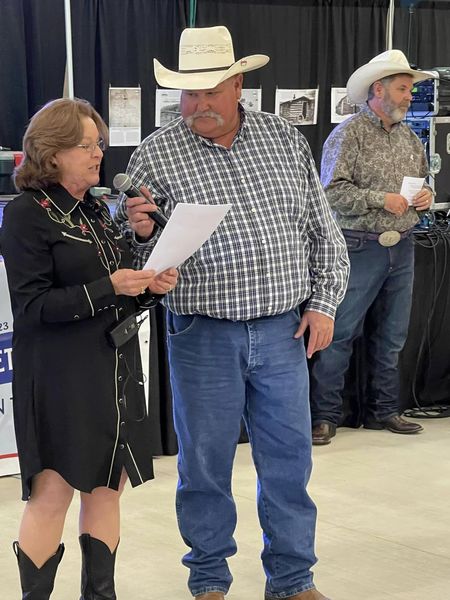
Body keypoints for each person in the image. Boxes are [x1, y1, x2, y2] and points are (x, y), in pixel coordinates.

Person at [115, 26, 349, 600]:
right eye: (187, 95)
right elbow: (139, 259)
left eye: (208, 93)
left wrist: (323, 304)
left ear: (237, 84)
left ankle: (294, 580)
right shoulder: (156, 152)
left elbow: (324, 232)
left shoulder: (283, 139)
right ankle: (209, 580)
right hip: (202, 333)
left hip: (281, 329)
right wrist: (141, 233)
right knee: (204, 465)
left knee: (289, 463)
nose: (195, 107)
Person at [1, 97, 178, 599]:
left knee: (107, 487)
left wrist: (149, 277)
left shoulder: (96, 210)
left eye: (98, 143)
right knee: (52, 492)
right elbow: (33, 307)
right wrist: (112, 288)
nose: (97, 153)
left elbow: (119, 288)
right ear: (50, 152)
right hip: (60, 374)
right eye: (84, 145)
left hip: (114, 366)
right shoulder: (26, 215)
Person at [309, 50, 434, 446]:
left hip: (402, 247)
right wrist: (382, 199)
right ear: (378, 90)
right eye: (403, 89)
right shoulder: (348, 134)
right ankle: (324, 416)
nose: (409, 96)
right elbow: (330, 193)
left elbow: (421, 180)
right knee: (340, 333)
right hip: (358, 247)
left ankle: (384, 410)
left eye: (410, 89)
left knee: (393, 335)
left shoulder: (410, 137)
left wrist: (425, 197)